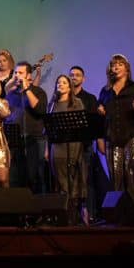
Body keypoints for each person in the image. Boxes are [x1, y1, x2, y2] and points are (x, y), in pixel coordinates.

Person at [97, 54, 134, 191]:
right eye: (113, 64)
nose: (116, 66)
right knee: (115, 178)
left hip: (131, 137)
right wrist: (100, 110)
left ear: (127, 69)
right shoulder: (105, 91)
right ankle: (119, 211)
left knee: (131, 174)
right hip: (112, 139)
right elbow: (100, 116)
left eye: (120, 64)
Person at [48, 74, 87, 224]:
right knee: (60, 180)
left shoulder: (77, 103)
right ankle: (63, 214)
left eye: (64, 83)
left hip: (72, 145)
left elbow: (81, 127)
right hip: (57, 147)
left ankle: (74, 214)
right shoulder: (53, 104)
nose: (61, 85)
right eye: (58, 82)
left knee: (73, 180)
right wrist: (47, 149)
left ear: (69, 86)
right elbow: (49, 129)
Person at [69, 65, 107, 222]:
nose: (74, 77)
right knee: (71, 180)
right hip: (67, 146)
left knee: (86, 180)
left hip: (85, 145)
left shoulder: (90, 98)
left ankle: (88, 213)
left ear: (83, 79)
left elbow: (95, 123)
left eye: (77, 75)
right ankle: (71, 214)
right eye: (71, 75)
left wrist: (99, 141)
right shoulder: (62, 96)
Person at [6, 61, 48, 192]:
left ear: (29, 75)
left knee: (35, 176)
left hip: (35, 139)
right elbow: (8, 115)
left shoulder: (38, 92)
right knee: (16, 176)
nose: (17, 76)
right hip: (16, 140)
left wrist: (27, 90)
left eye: (20, 73)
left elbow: (40, 110)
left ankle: (38, 208)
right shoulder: (11, 94)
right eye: (15, 73)